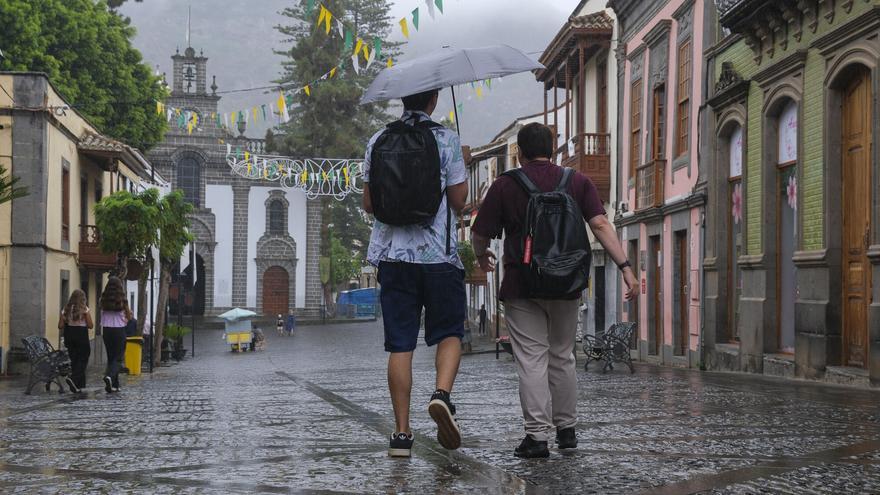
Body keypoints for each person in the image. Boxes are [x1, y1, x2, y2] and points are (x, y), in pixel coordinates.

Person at [471, 123, 638, 458]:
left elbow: (480, 232)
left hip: (522, 284)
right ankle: (567, 431)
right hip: (567, 283)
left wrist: (480, 255)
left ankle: (537, 437)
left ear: (518, 152)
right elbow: (601, 224)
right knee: (563, 356)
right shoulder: (577, 181)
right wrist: (626, 268)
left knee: (532, 360)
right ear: (554, 149)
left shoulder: (505, 185)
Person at [363, 88, 468, 458]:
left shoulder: (378, 140)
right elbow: (458, 202)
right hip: (439, 257)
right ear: (433, 101)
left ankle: (401, 436)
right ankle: (441, 395)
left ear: (401, 99)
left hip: (394, 258)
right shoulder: (446, 140)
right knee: (451, 331)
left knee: (400, 345)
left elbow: (369, 203)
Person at [57, 289, 93, 393]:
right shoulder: (84, 309)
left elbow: (60, 326)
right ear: (83, 298)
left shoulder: (66, 309)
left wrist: (64, 319)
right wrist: (86, 316)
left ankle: (78, 385)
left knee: (74, 359)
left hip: (69, 336)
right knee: (83, 358)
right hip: (81, 335)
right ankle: (73, 379)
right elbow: (90, 325)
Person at [99, 277, 130, 393]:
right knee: (118, 358)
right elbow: (129, 316)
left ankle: (115, 384)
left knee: (111, 357)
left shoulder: (103, 299)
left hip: (106, 331)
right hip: (119, 330)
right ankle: (109, 376)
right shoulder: (122, 300)